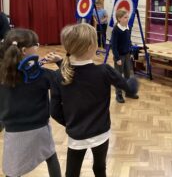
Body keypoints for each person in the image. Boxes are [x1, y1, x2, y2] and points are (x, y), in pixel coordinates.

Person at [50, 23, 138, 177]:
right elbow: (129, 89)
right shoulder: (105, 71)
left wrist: (72, 123)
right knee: (100, 169)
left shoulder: (59, 75)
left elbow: (55, 112)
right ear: (92, 46)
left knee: (71, 173)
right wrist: (134, 82)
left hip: (76, 135)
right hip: (101, 132)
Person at [0, 28, 61, 177]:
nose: (38, 47)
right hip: (39, 128)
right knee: (50, 156)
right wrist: (60, 62)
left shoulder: (2, 74)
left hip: (13, 131)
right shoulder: (42, 75)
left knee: (12, 169)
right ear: (25, 50)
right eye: (36, 44)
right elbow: (63, 80)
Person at [111, 9, 139, 103]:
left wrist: (130, 52)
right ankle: (118, 95)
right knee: (118, 76)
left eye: (127, 17)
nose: (127, 19)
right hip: (119, 56)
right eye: (125, 17)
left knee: (128, 74)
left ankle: (128, 92)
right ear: (119, 19)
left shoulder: (127, 27)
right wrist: (117, 58)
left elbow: (128, 40)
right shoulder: (116, 30)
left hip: (127, 55)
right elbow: (113, 46)